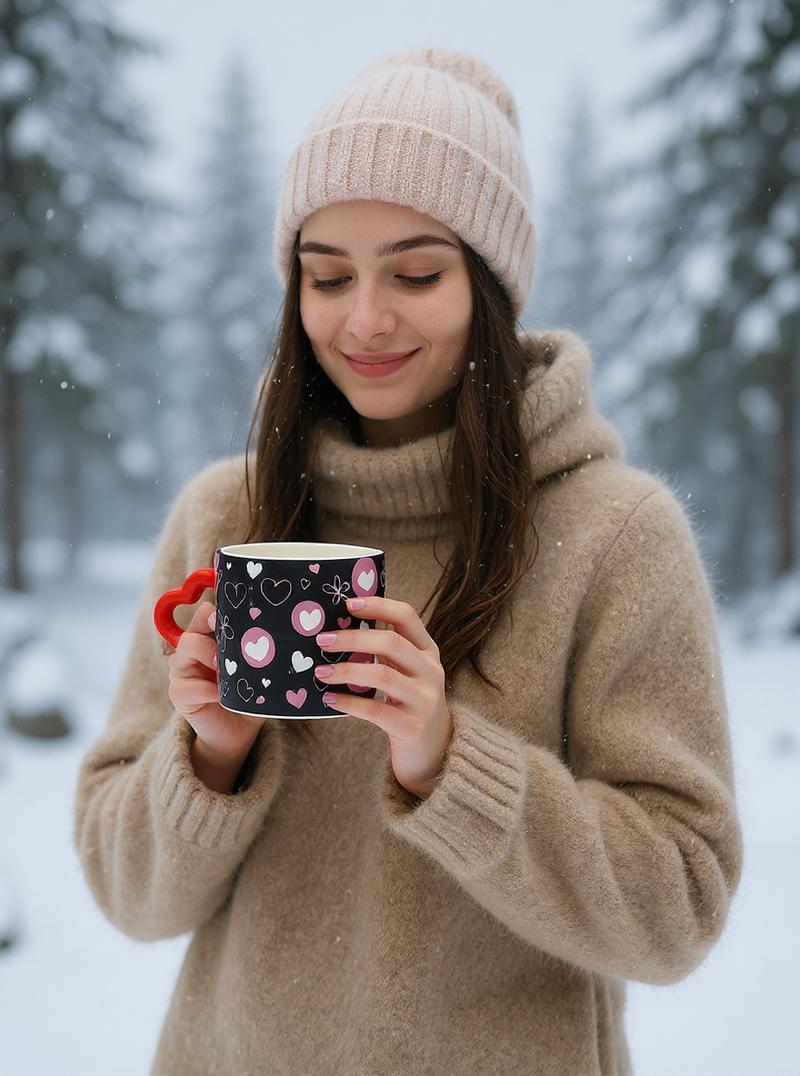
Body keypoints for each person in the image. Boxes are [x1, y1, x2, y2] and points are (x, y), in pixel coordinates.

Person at [75, 49, 742, 1075]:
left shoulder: (614, 535)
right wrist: (208, 753)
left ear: (490, 283)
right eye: (327, 274)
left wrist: (447, 759)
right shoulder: (228, 513)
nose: (364, 319)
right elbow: (129, 896)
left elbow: (678, 904)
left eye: (416, 273)